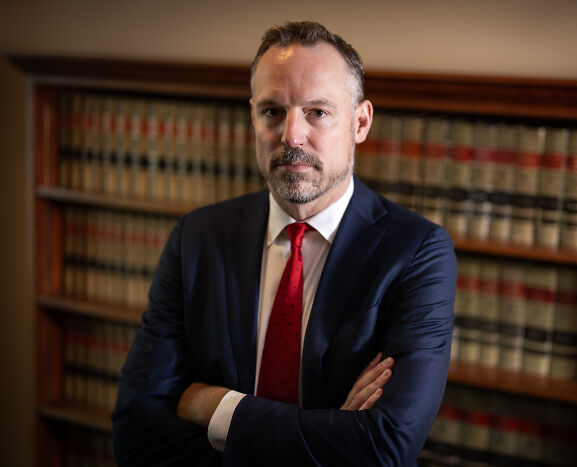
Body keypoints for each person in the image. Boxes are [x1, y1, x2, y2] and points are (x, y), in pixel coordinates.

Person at [112, 20, 456, 466]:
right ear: (253, 115)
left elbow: (383, 448)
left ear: (360, 122)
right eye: (273, 111)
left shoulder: (417, 252)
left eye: (318, 112)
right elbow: (135, 436)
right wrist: (332, 433)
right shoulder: (197, 238)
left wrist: (213, 406)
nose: (291, 136)